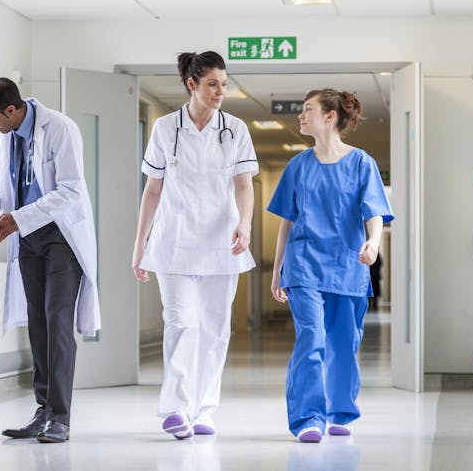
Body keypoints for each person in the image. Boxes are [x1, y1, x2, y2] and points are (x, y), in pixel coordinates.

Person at [0, 77, 99, 444]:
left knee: (57, 322)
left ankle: (61, 417)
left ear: (11, 110)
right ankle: (43, 411)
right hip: (28, 238)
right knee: (37, 324)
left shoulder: (61, 129)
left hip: (61, 237)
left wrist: (18, 218)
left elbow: (70, 190)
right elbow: (0, 177)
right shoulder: (4, 134)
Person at [132, 51, 258, 440]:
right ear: (192, 84)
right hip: (174, 242)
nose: (221, 91)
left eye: (224, 84)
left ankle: (205, 409)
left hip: (223, 242)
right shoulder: (165, 129)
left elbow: (243, 184)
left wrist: (246, 224)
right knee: (182, 322)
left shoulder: (234, 129)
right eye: (212, 84)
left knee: (216, 329)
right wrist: (140, 244)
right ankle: (175, 408)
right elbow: (152, 189)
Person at [267, 89, 393, 443]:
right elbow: (286, 224)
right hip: (304, 266)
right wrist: (278, 270)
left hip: (347, 267)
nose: (301, 116)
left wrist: (373, 243)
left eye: (308, 110)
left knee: (342, 344)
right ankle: (308, 418)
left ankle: (340, 411)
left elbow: (374, 213)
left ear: (330, 117)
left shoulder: (361, 163)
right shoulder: (298, 166)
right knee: (312, 337)